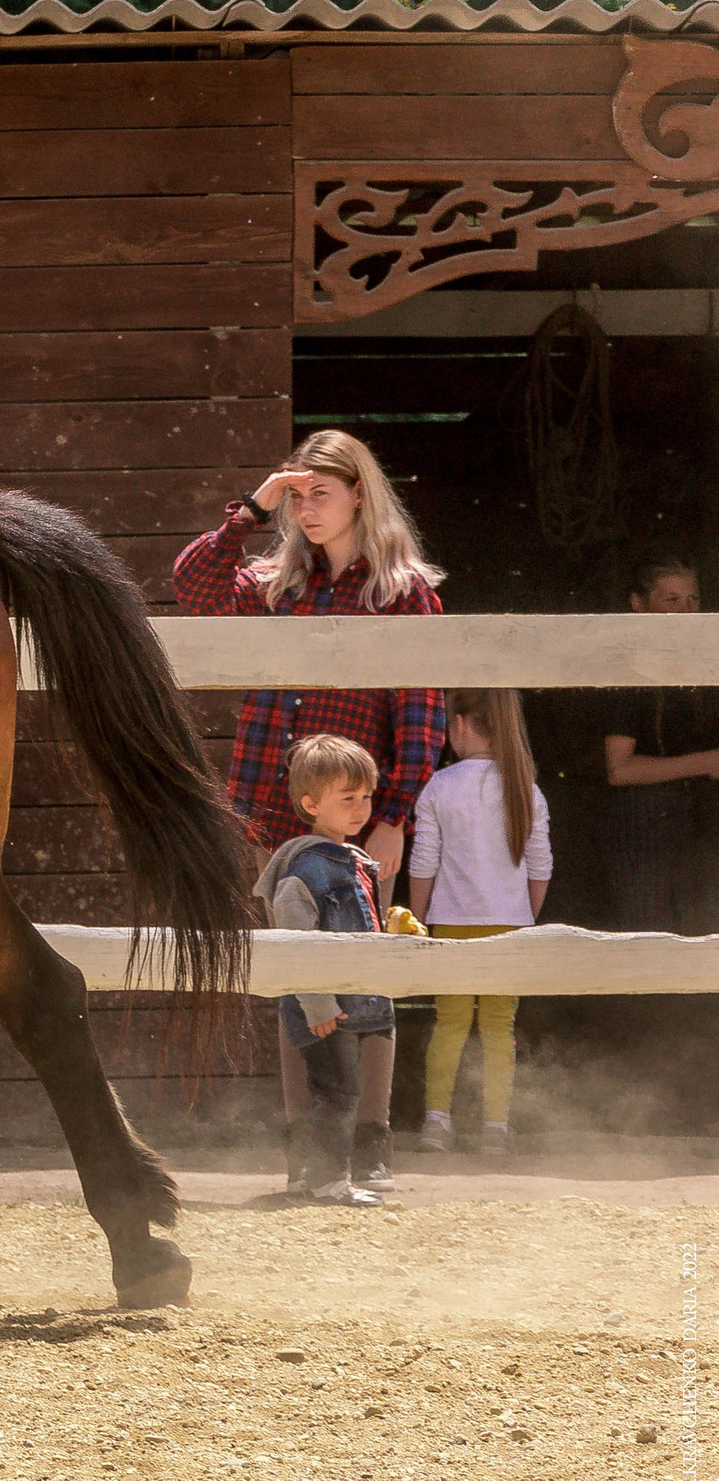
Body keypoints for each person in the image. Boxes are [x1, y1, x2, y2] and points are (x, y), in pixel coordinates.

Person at [173, 427, 444, 1174]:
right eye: (298, 496)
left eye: (321, 492)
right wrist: (251, 510)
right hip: (276, 809)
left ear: (360, 492)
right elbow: (193, 587)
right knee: (298, 976)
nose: (308, 508)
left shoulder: (402, 591)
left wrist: (396, 817)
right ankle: (311, 1147)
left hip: (357, 812)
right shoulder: (276, 584)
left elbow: (420, 705)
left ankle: (370, 1144)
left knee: (367, 972)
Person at [254, 734, 395, 1208]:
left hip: (348, 1002)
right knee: (338, 1094)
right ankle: (330, 1181)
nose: (361, 808)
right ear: (310, 803)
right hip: (323, 1005)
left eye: (366, 797)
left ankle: (310, 1177)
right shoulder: (306, 868)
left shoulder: (354, 862)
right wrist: (316, 1002)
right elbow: (297, 945)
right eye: (347, 798)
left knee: (332, 1092)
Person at [409, 690, 551, 1156]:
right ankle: (495, 1127)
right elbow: (540, 866)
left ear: (463, 724)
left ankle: (436, 1121)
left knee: (448, 1023)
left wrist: (421, 919)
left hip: (450, 924)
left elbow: (424, 861)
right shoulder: (526, 789)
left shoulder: (440, 786)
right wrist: (524, 918)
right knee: (498, 1028)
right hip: (508, 929)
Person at [603, 555, 719, 934]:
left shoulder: (706, 662)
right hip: (645, 826)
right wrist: (706, 762)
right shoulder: (629, 668)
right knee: (649, 940)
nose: (686, 611)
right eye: (672, 600)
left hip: (701, 826)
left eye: (693, 599)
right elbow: (619, 769)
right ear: (638, 604)